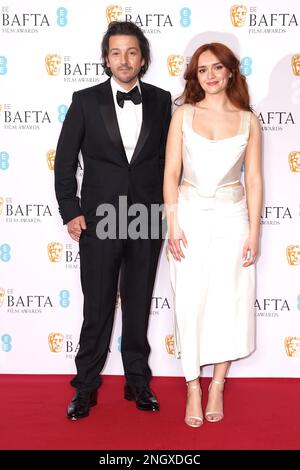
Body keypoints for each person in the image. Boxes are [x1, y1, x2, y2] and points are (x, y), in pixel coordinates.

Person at [55, 21, 172, 420]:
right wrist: (71, 211)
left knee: (138, 306)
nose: (124, 60)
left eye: (132, 52)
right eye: (116, 52)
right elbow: (66, 162)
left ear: (143, 58)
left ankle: (138, 384)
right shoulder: (85, 100)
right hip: (100, 219)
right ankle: (85, 388)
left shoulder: (161, 100)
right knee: (98, 307)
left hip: (146, 217)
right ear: (106, 58)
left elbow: (169, 164)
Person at [163, 42, 262, 428]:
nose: (211, 76)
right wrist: (173, 223)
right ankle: (192, 385)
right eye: (202, 70)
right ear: (195, 76)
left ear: (231, 72)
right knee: (188, 299)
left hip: (232, 217)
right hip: (188, 215)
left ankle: (217, 383)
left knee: (229, 299)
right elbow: (170, 174)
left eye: (217, 68)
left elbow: (253, 179)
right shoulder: (183, 116)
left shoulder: (249, 121)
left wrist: (254, 233)